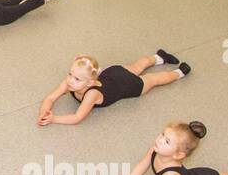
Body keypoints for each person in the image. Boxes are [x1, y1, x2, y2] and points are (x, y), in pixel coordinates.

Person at [37, 51, 189, 126]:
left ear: (90, 83)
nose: (70, 80)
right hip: (113, 72)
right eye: (70, 74)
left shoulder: (92, 94)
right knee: (136, 67)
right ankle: (158, 57)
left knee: (152, 79)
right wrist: (44, 111)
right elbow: (50, 98)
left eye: (77, 79)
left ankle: (178, 73)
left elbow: (77, 117)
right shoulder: (70, 82)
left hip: (126, 86)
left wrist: (54, 119)